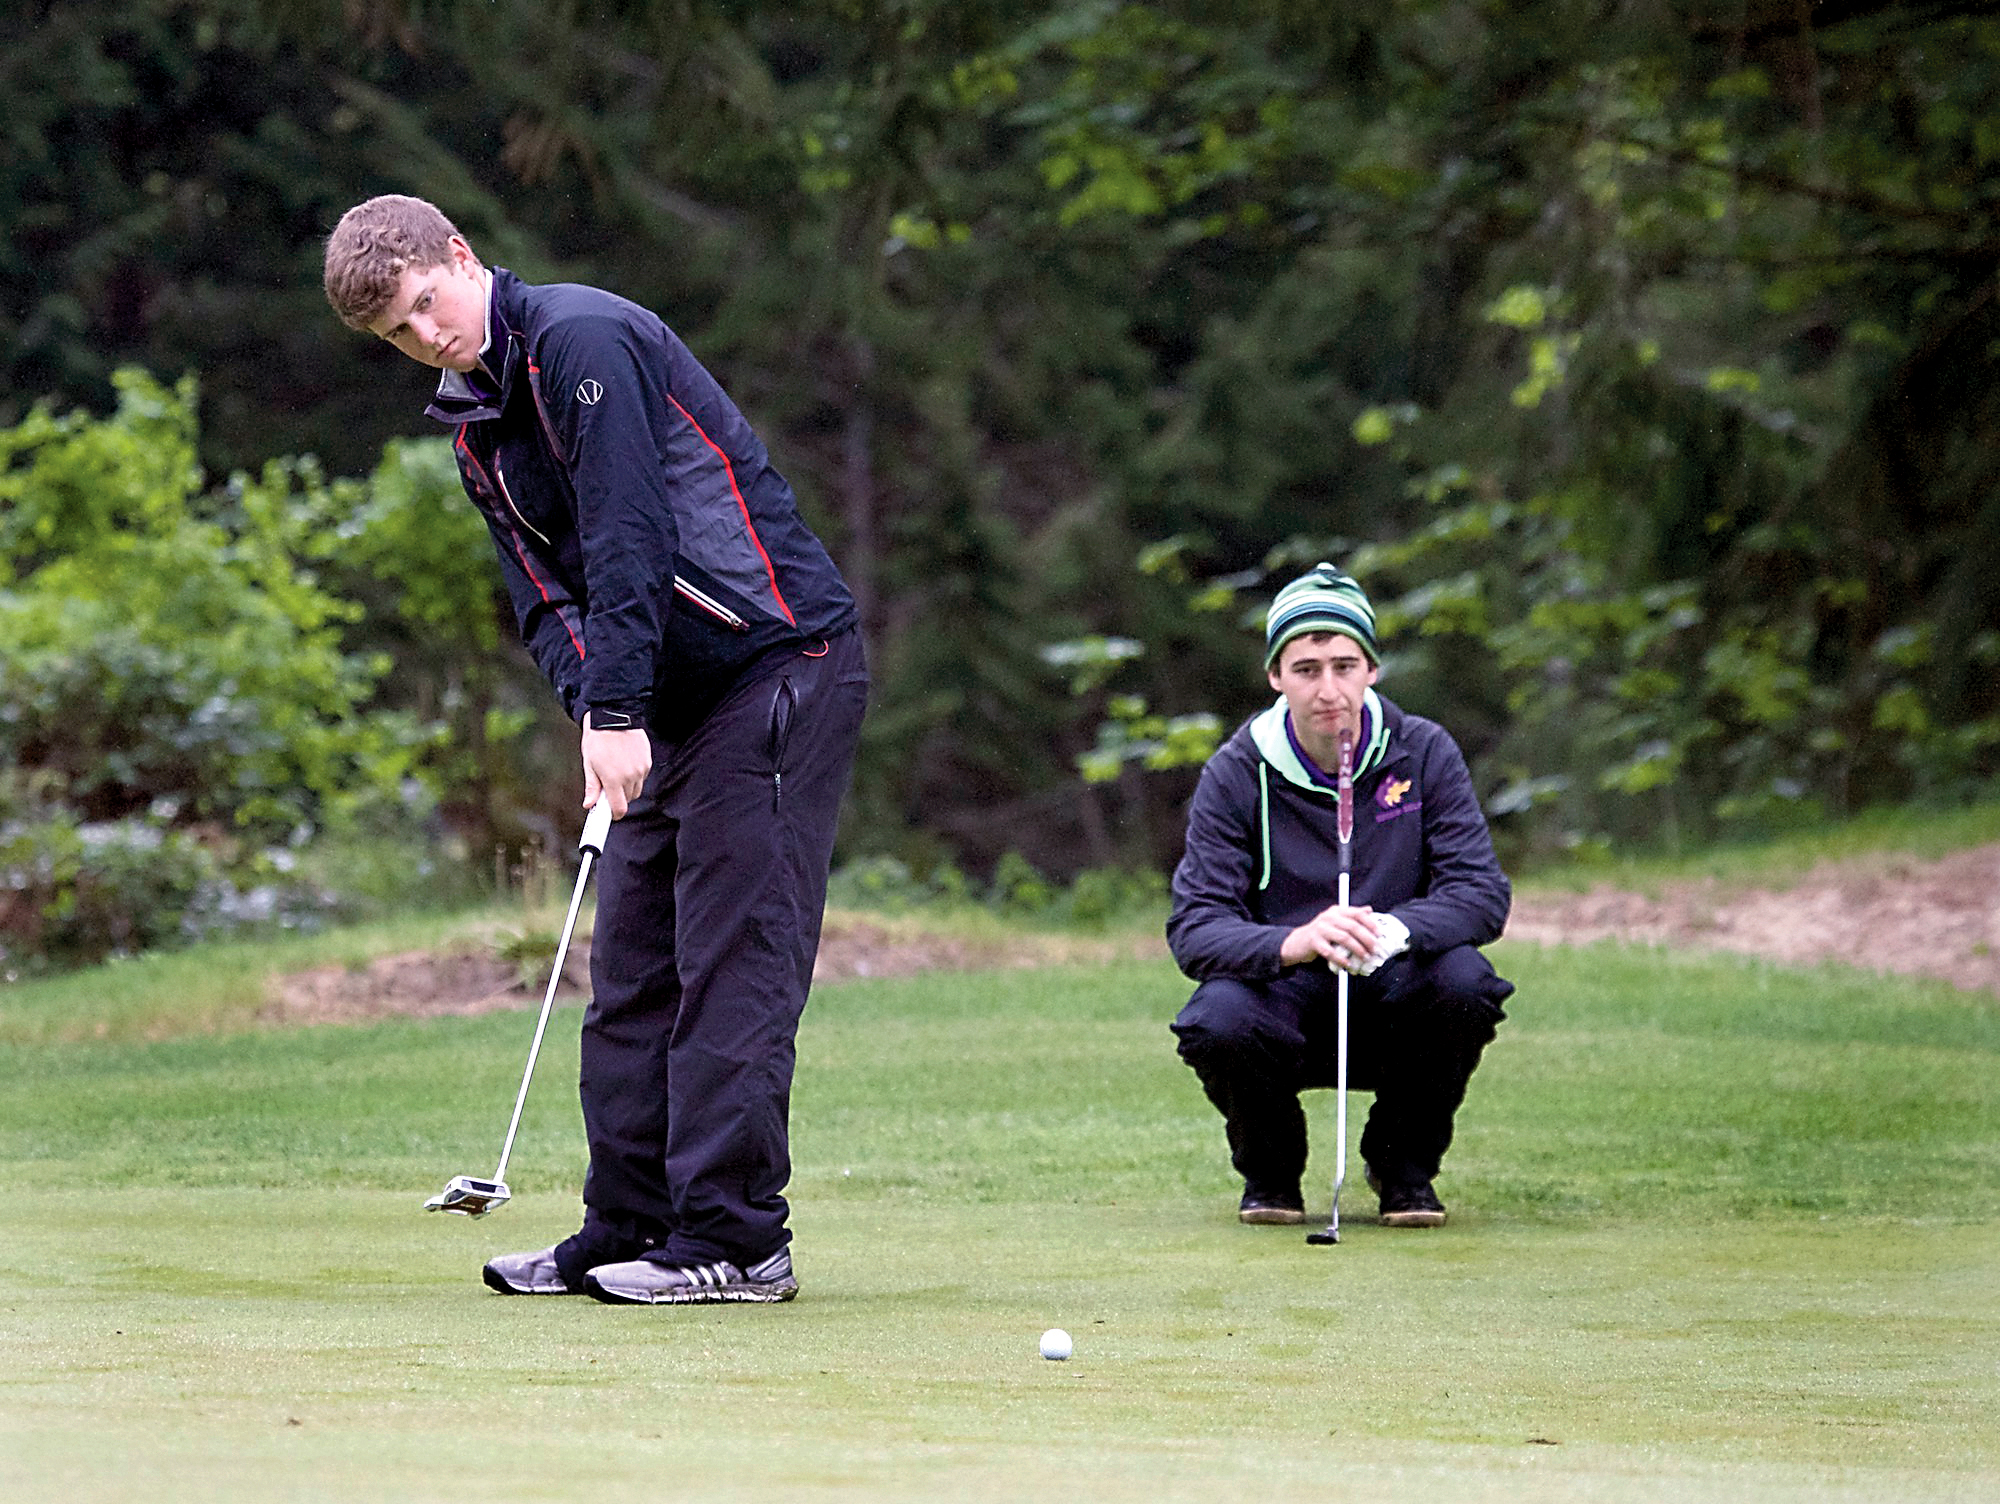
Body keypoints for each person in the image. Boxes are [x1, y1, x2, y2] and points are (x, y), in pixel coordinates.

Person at [323, 195, 867, 1304]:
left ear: (461, 260)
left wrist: (616, 711)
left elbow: (631, 530)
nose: (425, 338)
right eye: (397, 334)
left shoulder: (582, 338)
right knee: (629, 977)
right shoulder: (475, 425)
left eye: (426, 305)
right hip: (663, 703)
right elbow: (541, 594)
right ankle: (625, 1225)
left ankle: (737, 1241)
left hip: (776, 669)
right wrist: (596, 706)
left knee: (731, 971)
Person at [1167, 563, 1512, 1229]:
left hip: (1394, 989)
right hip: (1285, 996)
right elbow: (1196, 927)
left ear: (1372, 669)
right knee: (1217, 1016)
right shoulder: (1237, 771)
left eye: (1344, 665)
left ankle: (1403, 1169)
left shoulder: (1424, 752)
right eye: (1306, 669)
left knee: (1466, 982)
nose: (1329, 688)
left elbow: (1481, 894)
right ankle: (1272, 1174)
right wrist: (1293, 942)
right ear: (1276, 676)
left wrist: (1390, 932)